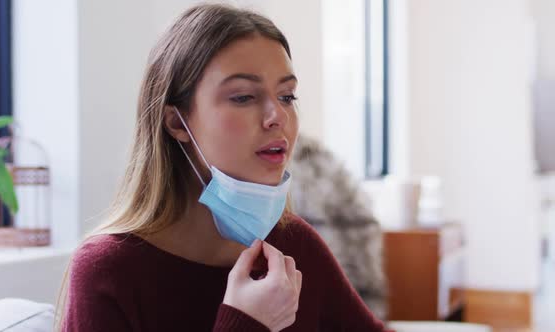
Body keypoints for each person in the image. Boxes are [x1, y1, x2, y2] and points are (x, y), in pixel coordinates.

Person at [58, 3, 391, 331]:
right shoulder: (107, 271)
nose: (278, 117)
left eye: (287, 96)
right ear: (176, 121)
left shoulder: (295, 245)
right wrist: (247, 324)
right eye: (243, 97)